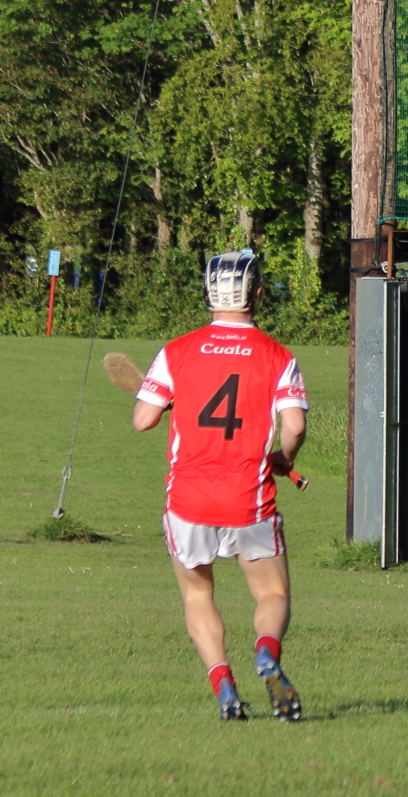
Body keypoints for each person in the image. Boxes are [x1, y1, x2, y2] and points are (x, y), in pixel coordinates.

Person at [132, 251, 308, 722]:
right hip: (248, 499)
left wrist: (171, 402)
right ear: (256, 292)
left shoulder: (177, 351)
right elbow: (293, 426)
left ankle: (224, 685)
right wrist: (283, 460)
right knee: (271, 595)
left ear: (208, 293)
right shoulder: (277, 356)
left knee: (197, 596)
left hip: (188, 500)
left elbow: (143, 419)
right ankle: (267, 653)